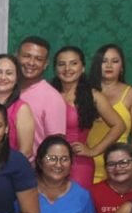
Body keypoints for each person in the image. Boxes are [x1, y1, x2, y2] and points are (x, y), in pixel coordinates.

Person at [51, 46, 124, 190]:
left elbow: (119, 125)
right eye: (61, 64)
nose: (67, 68)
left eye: (73, 63)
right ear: (55, 69)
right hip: (48, 162)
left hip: (78, 163)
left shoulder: (93, 96)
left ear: (83, 68)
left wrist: (93, 151)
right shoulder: (48, 93)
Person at [88, 44, 132, 183]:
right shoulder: (85, 92)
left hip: (119, 168)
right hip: (86, 164)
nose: (109, 65)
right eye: (104, 61)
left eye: (115, 61)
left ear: (122, 67)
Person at [17, 36, 66, 159]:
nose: (31, 63)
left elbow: (55, 147)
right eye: (26, 56)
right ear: (17, 57)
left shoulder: (52, 98)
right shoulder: (6, 89)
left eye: (38, 59)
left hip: (32, 172)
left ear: (46, 64)